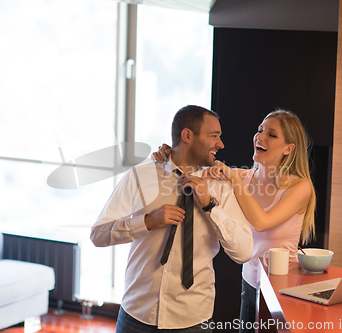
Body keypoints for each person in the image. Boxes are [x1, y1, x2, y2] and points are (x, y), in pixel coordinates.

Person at [90, 105, 254, 333]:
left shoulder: (220, 186)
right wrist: (147, 222)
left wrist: (210, 206)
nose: (220, 144)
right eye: (214, 136)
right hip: (137, 315)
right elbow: (98, 234)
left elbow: (244, 252)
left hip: (192, 320)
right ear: (187, 135)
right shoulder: (142, 175)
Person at [153, 109, 316, 333]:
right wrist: (169, 153)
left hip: (283, 289)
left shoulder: (300, 187)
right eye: (260, 131)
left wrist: (231, 176)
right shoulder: (242, 177)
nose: (260, 137)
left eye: (272, 134)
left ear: (289, 148)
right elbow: (192, 167)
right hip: (250, 284)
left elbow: (261, 222)